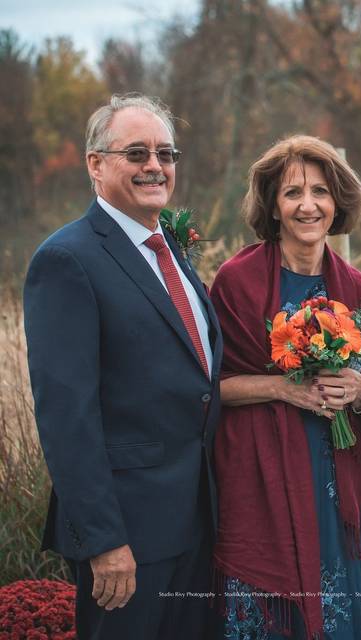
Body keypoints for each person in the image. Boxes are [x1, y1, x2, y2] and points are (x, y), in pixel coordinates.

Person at [23, 93, 221, 639]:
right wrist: (105, 541)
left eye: (165, 152)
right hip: (128, 539)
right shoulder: (68, 260)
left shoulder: (169, 252)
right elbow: (66, 416)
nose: (154, 165)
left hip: (195, 523)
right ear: (95, 164)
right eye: (136, 153)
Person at [208, 135, 361, 639]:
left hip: (336, 479)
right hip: (263, 476)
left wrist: (355, 387)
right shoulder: (237, 281)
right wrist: (283, 387)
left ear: (338, 202)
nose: (308, 205)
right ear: (273, 206)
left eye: (321, 192)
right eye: (292, 193)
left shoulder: (358, 288)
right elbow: (212, 387)